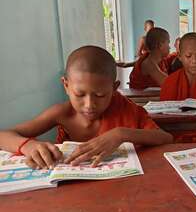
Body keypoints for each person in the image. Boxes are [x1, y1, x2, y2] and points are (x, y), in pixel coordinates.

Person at [0, 46, 173, 169]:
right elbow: (3, 136)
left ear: (114, 88)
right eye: (80, 95)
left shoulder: (125, 109)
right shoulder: (62, 113)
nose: (89, 105)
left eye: (100, 95)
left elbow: (165, 138)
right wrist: (28, 145)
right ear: (66, 86)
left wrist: (122, 134)